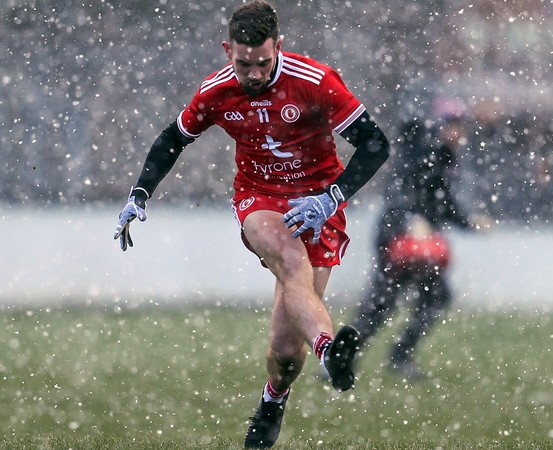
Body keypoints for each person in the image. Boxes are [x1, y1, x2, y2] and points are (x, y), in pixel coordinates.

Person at [112, 2, 390, 448]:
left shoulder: (315, 81)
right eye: (244, 64)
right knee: (291, 262)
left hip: (320, 202)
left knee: (285, 353)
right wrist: (139, 193)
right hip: (260, 197)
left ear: (279, 47)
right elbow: (172, 139)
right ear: (228, 51)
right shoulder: (217, 91)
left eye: (263, 62)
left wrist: (330, 198)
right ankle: (329, 353)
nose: (255, 74)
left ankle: (273, 398)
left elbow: (376, 144)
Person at [352, 101, 486, 379]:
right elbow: (401, 188)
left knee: (429, 297)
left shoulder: (444, 157)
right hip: (400, 236)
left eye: (460, 126)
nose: (458, 132)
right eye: (452, 125)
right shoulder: (424, 151)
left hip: (417, 242)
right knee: (385, 301)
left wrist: (468, 222)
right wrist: (410, 218)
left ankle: (393, 356)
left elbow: (442, 202)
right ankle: (351, 357)